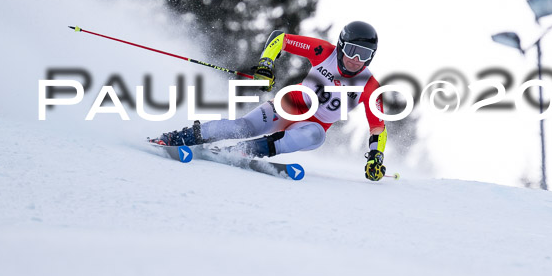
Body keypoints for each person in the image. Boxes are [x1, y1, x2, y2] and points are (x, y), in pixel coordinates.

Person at [150, 21, 388, 181]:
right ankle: (176, 137)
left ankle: (242, 151)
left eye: (365, 55)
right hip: (289, 106)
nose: (356, 59)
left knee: (316, 136)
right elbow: (280, 38)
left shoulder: (369, 86)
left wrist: (376, 156)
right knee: (242, 127)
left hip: (311, 126)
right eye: (352, 51)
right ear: (341, 46)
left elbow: (378, 126)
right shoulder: (323, 52)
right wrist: (266, 64)